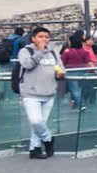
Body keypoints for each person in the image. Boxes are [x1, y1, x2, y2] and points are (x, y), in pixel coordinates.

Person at [17, 27, 63, 159]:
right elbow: (28, 65)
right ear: (33, 38)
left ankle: (34, 148)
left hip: (49, 93)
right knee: (36, 121)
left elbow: (60, 68)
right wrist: (40, 52)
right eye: (40, 37)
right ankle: (48, 139)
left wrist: (60, 73)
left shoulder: (53, 53)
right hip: (31, 93)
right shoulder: (26, 51)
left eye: (46, 37)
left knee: (40, 123)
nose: (44, 39)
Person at [60, 29, 97, 110]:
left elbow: (62, 62)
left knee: (74, 90)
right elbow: (89, 62)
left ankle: (81, 104)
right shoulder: (85, 51)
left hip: (71, 73)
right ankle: (79, 103)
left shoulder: (67, 52)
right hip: (82, 72)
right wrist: (95, 70)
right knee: (81, 89)